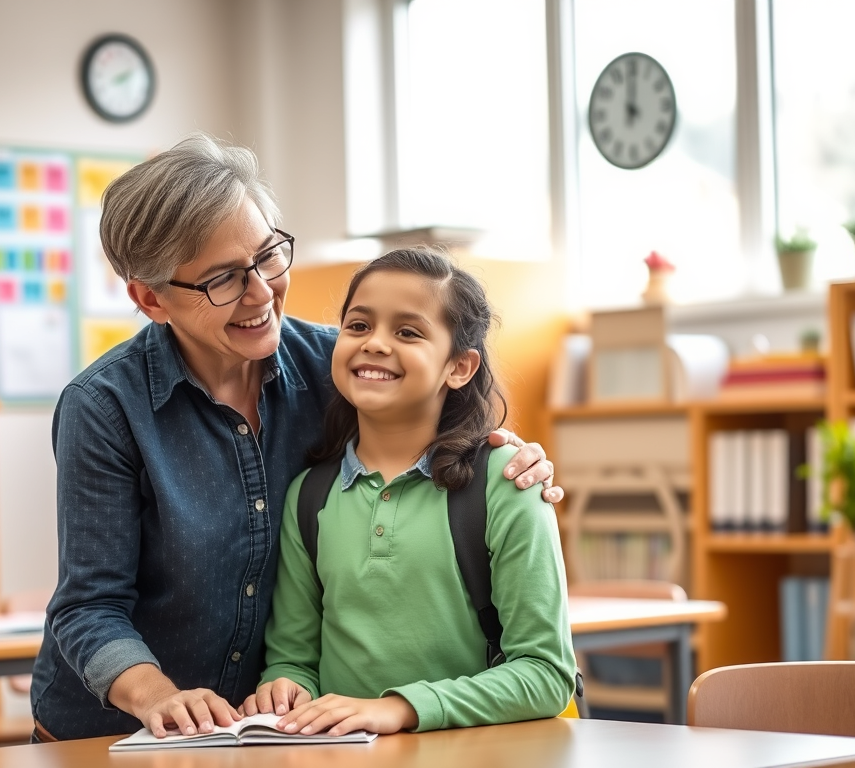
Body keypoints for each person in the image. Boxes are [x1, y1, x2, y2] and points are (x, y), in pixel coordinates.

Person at [30, 133, 564, 742]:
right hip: (113, 734)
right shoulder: (104, 406)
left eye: (267, 256)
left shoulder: (335, 366)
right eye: (223, 281)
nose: (261, 293)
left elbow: (436, 405)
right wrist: (159, 695)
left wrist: (511, 456)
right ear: (151, 299)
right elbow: (87, 606)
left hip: (269, 734)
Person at [241, 248, 576, 736]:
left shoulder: (508, 482)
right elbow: (293, 658)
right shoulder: (308, 496)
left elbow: (547, 675)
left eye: (408, 332)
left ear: (458, 367)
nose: (375, 343)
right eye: (357, 326)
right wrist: (286, 684)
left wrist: (401, 708)